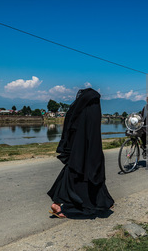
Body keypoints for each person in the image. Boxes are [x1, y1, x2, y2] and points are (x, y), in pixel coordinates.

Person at [47, 88, 114, 218]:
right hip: (88, 150)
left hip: (76, 151)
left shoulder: (77, 112)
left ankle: (103, 202)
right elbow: (93, 135)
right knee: (91, 172)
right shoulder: (92, 110)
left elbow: (70, 131)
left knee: (74, 172)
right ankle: (100, 202)